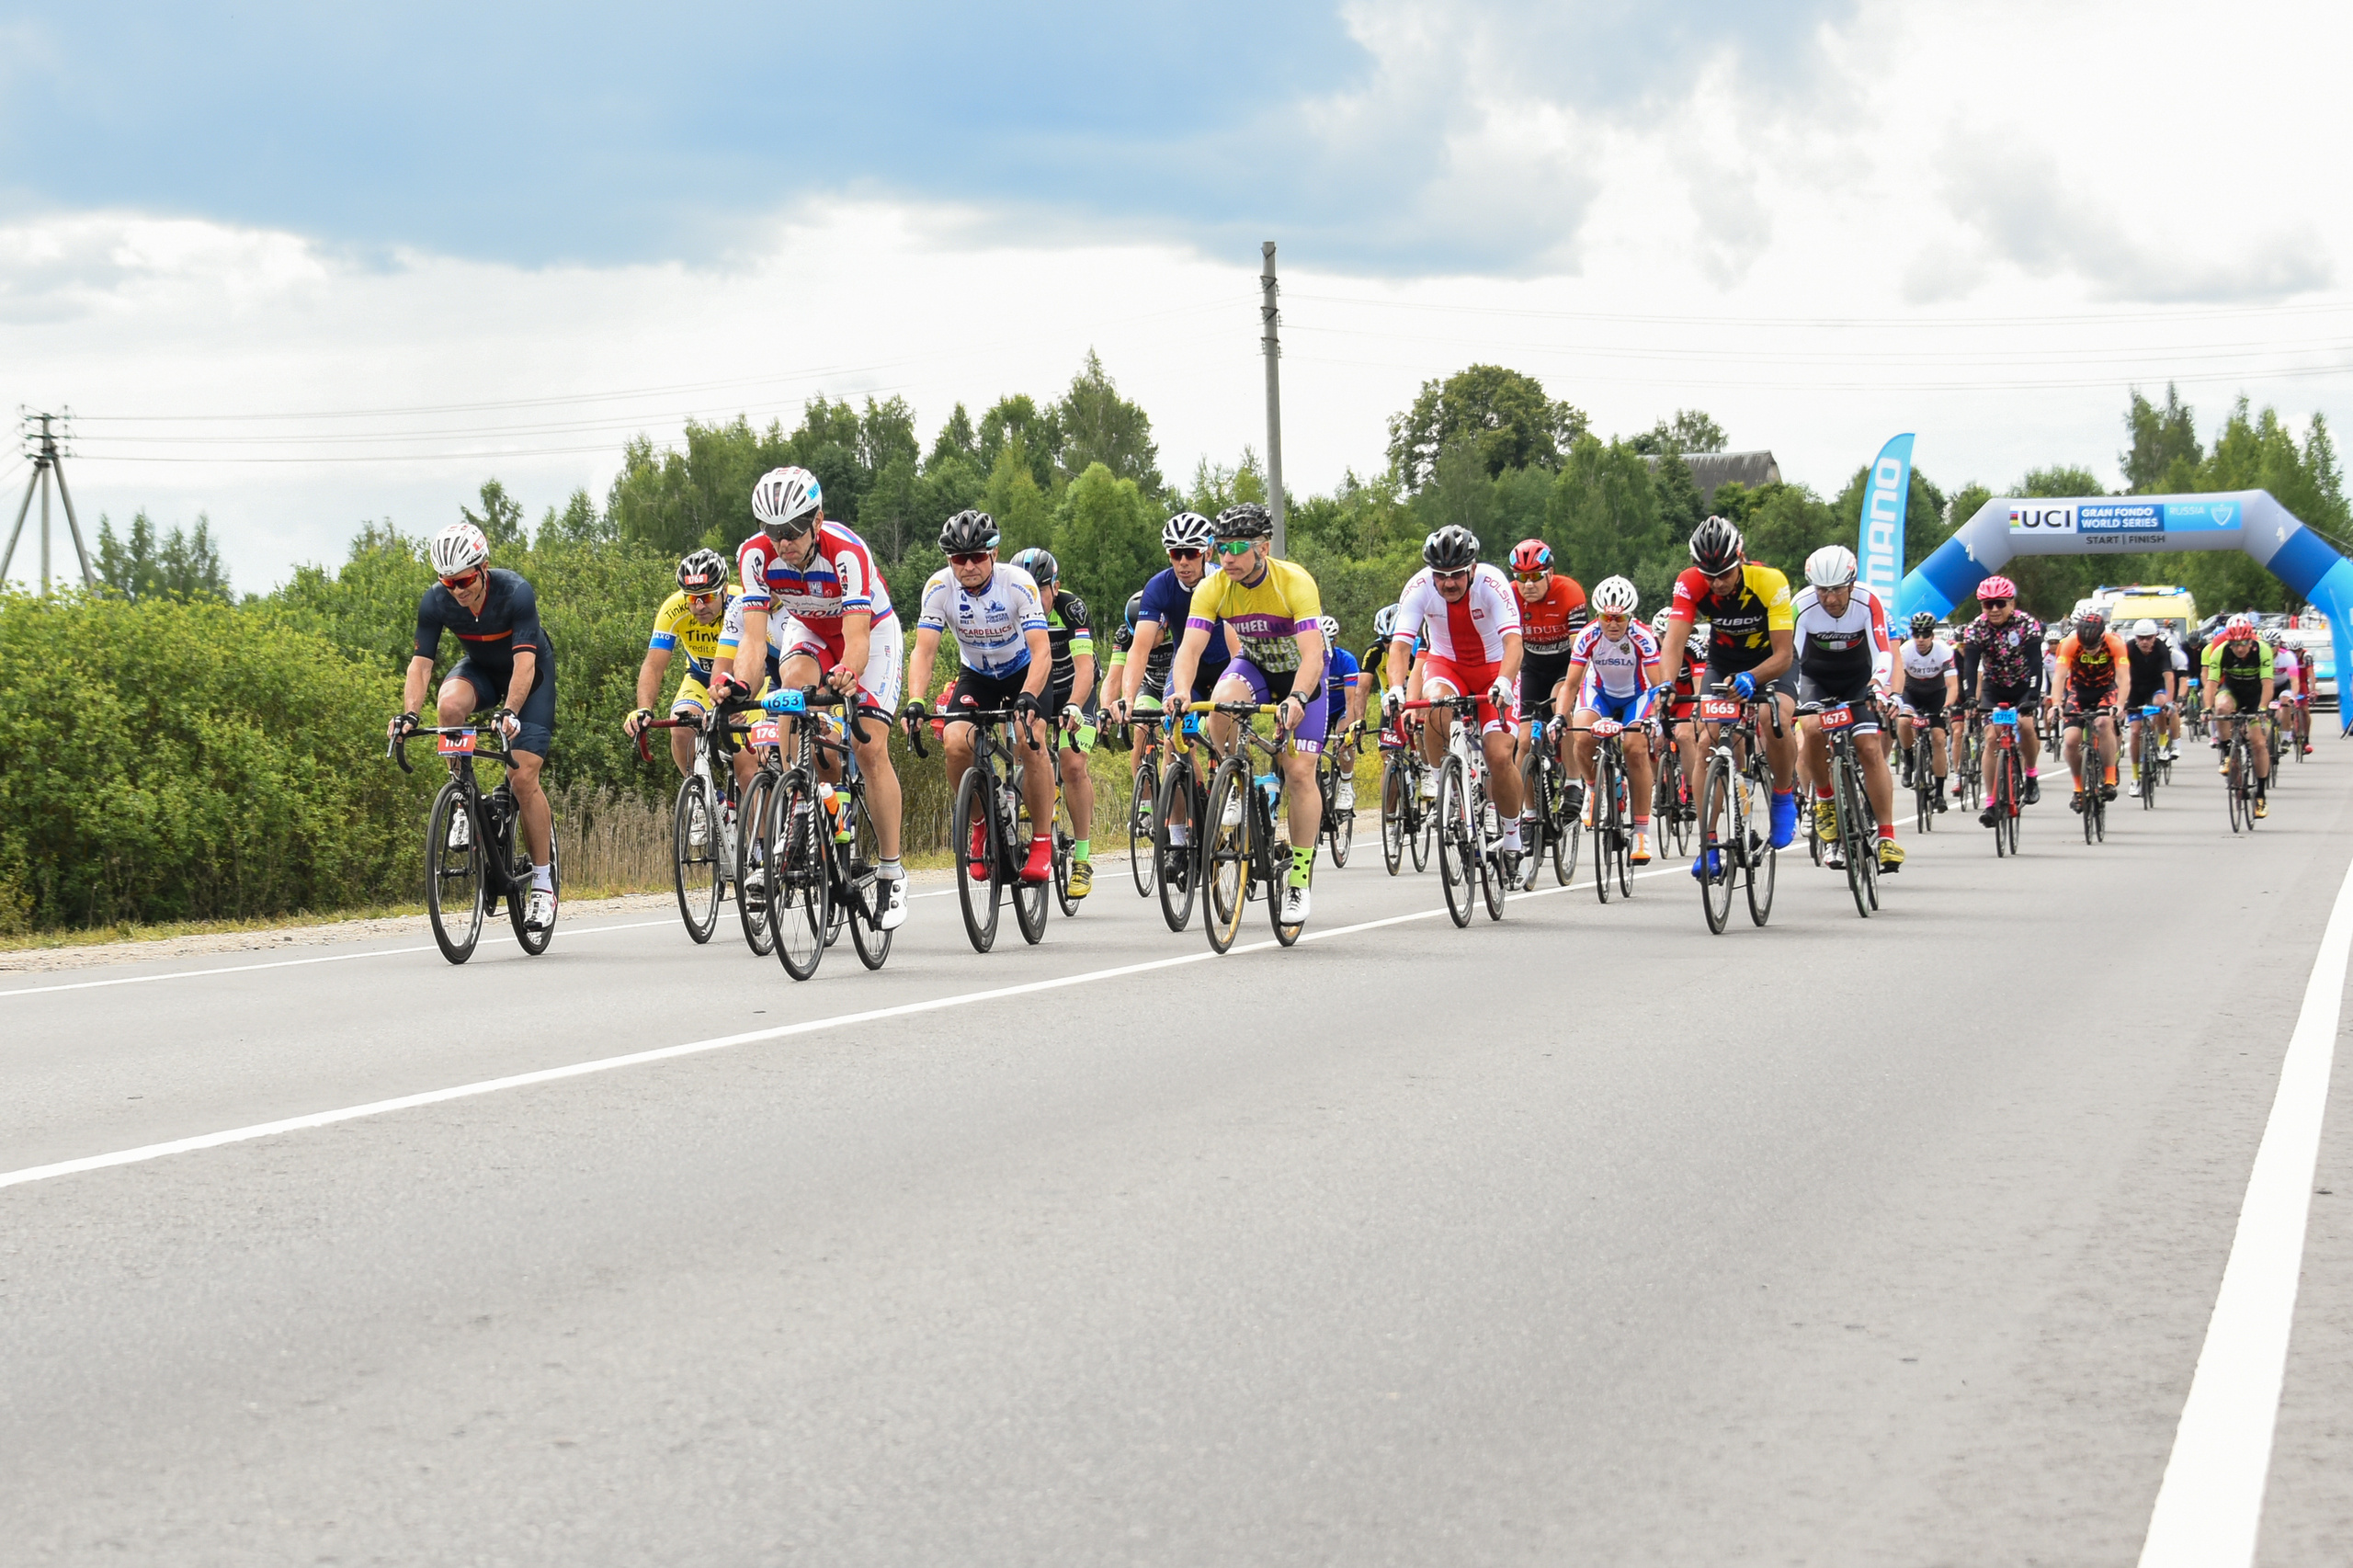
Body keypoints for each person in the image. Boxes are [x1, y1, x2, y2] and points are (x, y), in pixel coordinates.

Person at [730, 464, 909, 928]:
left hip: (869, 631)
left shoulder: (846, 552)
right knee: (791, 688)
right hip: (808, 626)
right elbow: (752, 642)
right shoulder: (754, 556)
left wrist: (847, 673)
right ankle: (798, 802)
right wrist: (740, 685)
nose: (782, 541)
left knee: (869, 746)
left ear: (817, 519)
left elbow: (856, 639)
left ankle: (892, 871)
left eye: (791, 529)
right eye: (772, 531)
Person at [390, 521, 560, 930]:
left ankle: (542, 883)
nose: (457, 590)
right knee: (448, 708)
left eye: (464, 579)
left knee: (522, 778)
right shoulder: (436, 601)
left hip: (529, 676)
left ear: (483, 568)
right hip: (482, 670)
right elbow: (421, 664)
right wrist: (410, 713)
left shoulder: (516, 592)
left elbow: (524, 663)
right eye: (448, 582)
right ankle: (464, 800)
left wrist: (510, 710)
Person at [1165, 503, 1327, 924]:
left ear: (1263, 547)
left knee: (1299, 771)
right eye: (1221, 547)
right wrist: (1181, 691)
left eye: (1238, 547)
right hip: (1254, 667)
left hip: (1299, 677)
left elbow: (1312, 656)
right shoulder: (1214, 586)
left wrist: (1297, 698)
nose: (1228, 557)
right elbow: (1190, 649)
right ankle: (1233, 778)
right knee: (1221, 698)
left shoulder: (1294, 582)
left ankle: (1298, 879)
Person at [902, 511, 1059, 883]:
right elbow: (923, 651)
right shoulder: (939, 588)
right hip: (976, 675)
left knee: (1029, 740)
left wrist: (1029, 696)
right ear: (948, 561)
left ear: (994, 553)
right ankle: (978, 823)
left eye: (977, 556)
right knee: (955, 741)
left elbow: (1042, 651)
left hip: (1023, 671)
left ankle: (1041, 842)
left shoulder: (1018, 584)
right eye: (959, 559)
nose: (968, 566)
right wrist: (916, 701)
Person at [1382, 525, 1529, 875]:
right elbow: (1401, 647)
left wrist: (1505, 682)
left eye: (1456, 576)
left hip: (1495, 669)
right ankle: (1443, 786)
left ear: (1472, 569)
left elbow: (1514, 644)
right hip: (1447, 664)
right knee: (1433, 707)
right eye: (1441, 576)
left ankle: (1512, 838)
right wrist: (1396, 688)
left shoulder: (1492, 583)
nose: (1448, 584)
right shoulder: (1418, 588)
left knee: (1497, 754)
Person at [1658, 515, 1800, 871]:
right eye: (1710, 576)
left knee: (1774, 717)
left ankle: (1783, 796)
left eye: (1725, 573)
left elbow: (1784, 655)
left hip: (1769, 662)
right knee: (1707, 742)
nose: (1718, 583)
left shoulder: (1770, 581)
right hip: (1724, 662)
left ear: (1741, 559)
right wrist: (1667, 685)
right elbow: (1673, 643)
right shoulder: (1690, 584)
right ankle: (1708, 845)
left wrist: (1753, 678)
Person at [1115, 511, 1233, 871]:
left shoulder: (1224, 582)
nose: (1183, 561)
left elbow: (1235, 644)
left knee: (1226, 735)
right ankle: (1179, 840)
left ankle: (1232, 789)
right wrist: (1128, 697)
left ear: (1207, 553)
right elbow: (1139, 649)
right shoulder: (1160, 587)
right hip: (1189, 669)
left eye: (1191, 553)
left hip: (1227, 664)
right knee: (1173, 742)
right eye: (1175, 553)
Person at [1791, 545, 1902, 873]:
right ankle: (1824, 798)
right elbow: (1791, 660)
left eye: (1838, 589)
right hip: (1815, 677)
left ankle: (1886, 835)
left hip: (1859, 679)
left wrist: (1879, 686)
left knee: (1869, 747)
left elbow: (1884, 652)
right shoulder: (1801, 605)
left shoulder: (1869, 600)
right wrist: (1790, 697)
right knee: (1811, 729)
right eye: (1823, 590)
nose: (1830, 598)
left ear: (1851, 583)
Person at [1009, 547, 1099, 899]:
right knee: (1026, 742)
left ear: (1055, 587)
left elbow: (1085, 668)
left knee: (1073, 763)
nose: (1033, 597)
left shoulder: (1070, 608)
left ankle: (1082, 858)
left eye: (1040, 589)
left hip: (1075, 686)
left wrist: (1076, 706)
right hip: (1040, 687)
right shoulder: (1014, 608)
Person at [1553, 575, 1663, 863]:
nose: (1613, 624)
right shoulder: (1590, 635)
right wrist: (1558, 717)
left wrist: (1657, 718)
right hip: (1599, 692)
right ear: (1598, 615)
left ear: (1630, 616)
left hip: (1635, 696)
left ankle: (1640, 830)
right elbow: (1571, 684)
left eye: (1620, 618)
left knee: (1635, 749)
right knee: (1582, 736)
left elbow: (1658, 685)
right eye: (1606, 617)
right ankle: (1593, 789)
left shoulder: (1642, 637)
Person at [1957, 575, 2048, 826]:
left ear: (2011, 602)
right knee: (1991, 738)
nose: (1994, 609)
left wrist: (2031, 696)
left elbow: (2036, 665)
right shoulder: (1976, 628)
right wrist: (1970, 698)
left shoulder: (2026, 624)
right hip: (1994, 688)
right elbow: (1970, 667)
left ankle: (2030, 775)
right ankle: (1991, 803)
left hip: (2022, 686)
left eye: (2000, 603)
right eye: (1988, 605)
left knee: (2027, 726)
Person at [2054, 608, 2129, 810]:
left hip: (2105, 690)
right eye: (2085, 647)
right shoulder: (2069, 644)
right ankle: (2078, 788)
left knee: (2104, 723)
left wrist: (2120, 705)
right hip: (2078, 691)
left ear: (2102, 636)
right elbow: (2060, 676)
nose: (2089, 651)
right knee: (2070, 741)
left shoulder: (2115, 643)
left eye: (2093, 646)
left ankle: (2110, 779)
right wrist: (2055, 704)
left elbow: (2123, 677)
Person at [2203, 614, 2276, 815]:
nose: (2240, 648)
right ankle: (2227, 752)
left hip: (2256, 697)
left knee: (2259, 743)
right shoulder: (2220, 652)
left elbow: (2268, 684)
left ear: (2251, 639)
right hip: (2233, 691)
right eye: (2235, 644)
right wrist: (2206, 708)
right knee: (2221, 707)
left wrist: (2262, 709)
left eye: (2244, 643)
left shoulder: (2263, 650)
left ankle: (2260, 795)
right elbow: (2211, 684)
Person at [1893, 610, 1959, 810]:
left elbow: (1952, 685)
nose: (1920, 639)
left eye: (1925, 634)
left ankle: (1939, 793)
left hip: (1936, 695)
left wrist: (1947, 706)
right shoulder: (1905, 651)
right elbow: (1897, 680)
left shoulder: (1944, 651)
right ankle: (1909, 760)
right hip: (1912, 692)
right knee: (1903, 721)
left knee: (1939, 739)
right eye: (1916, 634)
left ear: (1932, 635)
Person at [2120, 618, 2178, 784]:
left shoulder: (2161, 649)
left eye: (2149, 638)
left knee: (2160, 703)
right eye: (2140, 638)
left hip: (2155, 685)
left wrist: (2170, 701)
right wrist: (2121, 702)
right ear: (2135, 638)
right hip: (2134, 689)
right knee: (2135, 732)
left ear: (2155, 636)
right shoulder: (2128, 649)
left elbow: (2169, 676)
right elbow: (2121, 676)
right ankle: (2135, 777)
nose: (2145, 642)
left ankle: (2162, 742)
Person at [1319, 615, 1367, 812]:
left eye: (1329, 640)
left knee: (1342, 740)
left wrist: (1350, 729)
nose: (1324, 645)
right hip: (1320, 707)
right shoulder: (1307, 659)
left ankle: (1346, 784)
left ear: (1335, 640)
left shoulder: (1345, 660)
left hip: (1340, 708)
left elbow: (1351, 700)